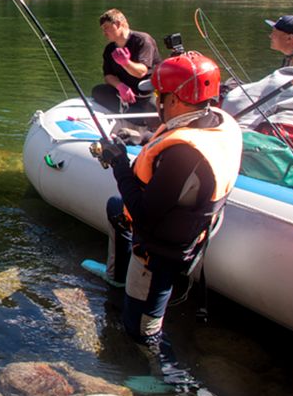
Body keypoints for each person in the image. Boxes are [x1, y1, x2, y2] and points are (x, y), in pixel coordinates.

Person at [95, 51, 242, 375]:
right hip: (194, 227)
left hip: (163, 250)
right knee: (114, 209)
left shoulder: (183, 155)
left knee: (140, 330)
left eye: (159, 94)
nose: (156, 100)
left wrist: (119, 164)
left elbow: (145, 215)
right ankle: (117, 280)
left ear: (174, 99)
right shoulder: (217, 122)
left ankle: (166, 379)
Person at [91, 8, 160, 113]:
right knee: (98, 91)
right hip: (124, 93)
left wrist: (126, 63)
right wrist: (120, 86)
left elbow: (141, 72)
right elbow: (108, 76)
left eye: (106, 28)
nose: (104, 32)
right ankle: (125, 109)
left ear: (118, 24)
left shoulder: (143, 40)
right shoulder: (110, 49)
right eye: (103, 29)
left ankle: (134, 113)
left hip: (147, 92)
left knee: (154, 108)